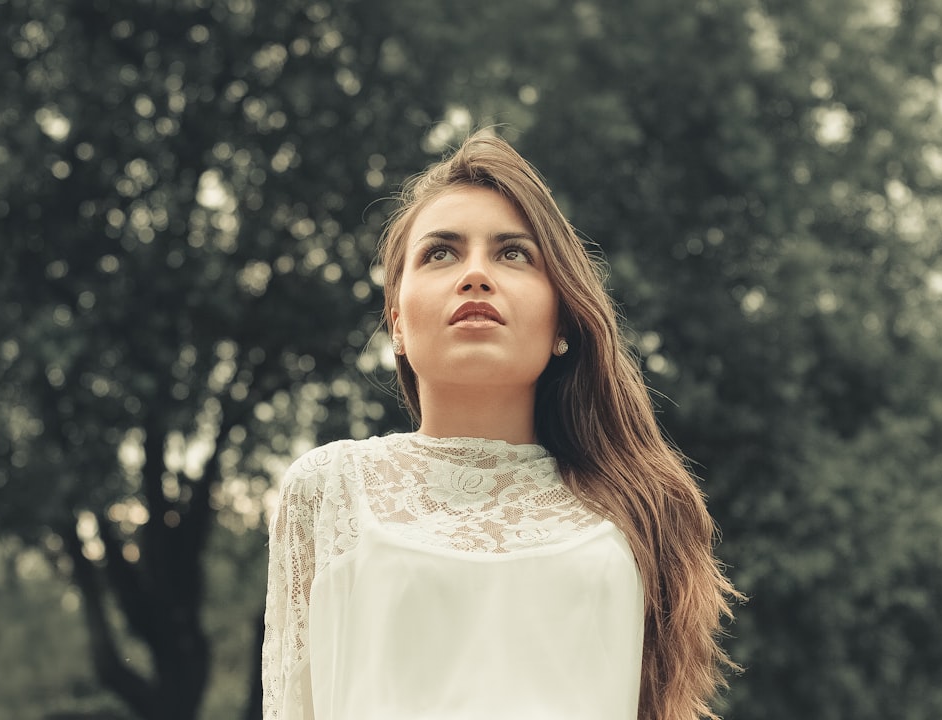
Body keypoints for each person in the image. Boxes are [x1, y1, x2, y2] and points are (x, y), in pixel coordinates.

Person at [262, 132, 739, 720]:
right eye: (440, 253)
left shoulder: (639, 507)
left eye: (514, 253)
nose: (476, 274)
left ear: (562, 318)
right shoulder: (328, 489)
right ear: (398, 328)